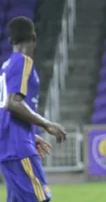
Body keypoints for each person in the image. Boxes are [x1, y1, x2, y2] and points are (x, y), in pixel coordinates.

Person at [0, 16, 67, 201]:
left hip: (9, 146)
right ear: (34, 38)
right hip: (19, 148)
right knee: (40, 198)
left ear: (11, 40)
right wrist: (47, 124)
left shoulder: (6, 67)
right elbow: (13, 103)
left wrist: (31, 133)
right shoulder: (23, 62)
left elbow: (4, 109)